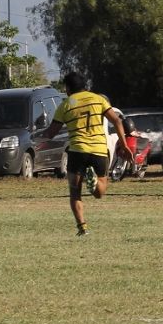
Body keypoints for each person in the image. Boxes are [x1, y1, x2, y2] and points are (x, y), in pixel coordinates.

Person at [41, 72, 132, 236]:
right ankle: (95, 182)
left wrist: (39, 136)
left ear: (68, 88)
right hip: (99, 150)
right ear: (85, 86)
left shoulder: (66, 105)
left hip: (77, 151)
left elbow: (51, 133)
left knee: (75, 192)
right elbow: (117, 121)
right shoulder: (99, 99)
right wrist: (124, 146)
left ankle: (82, 227)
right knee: (100, 192)